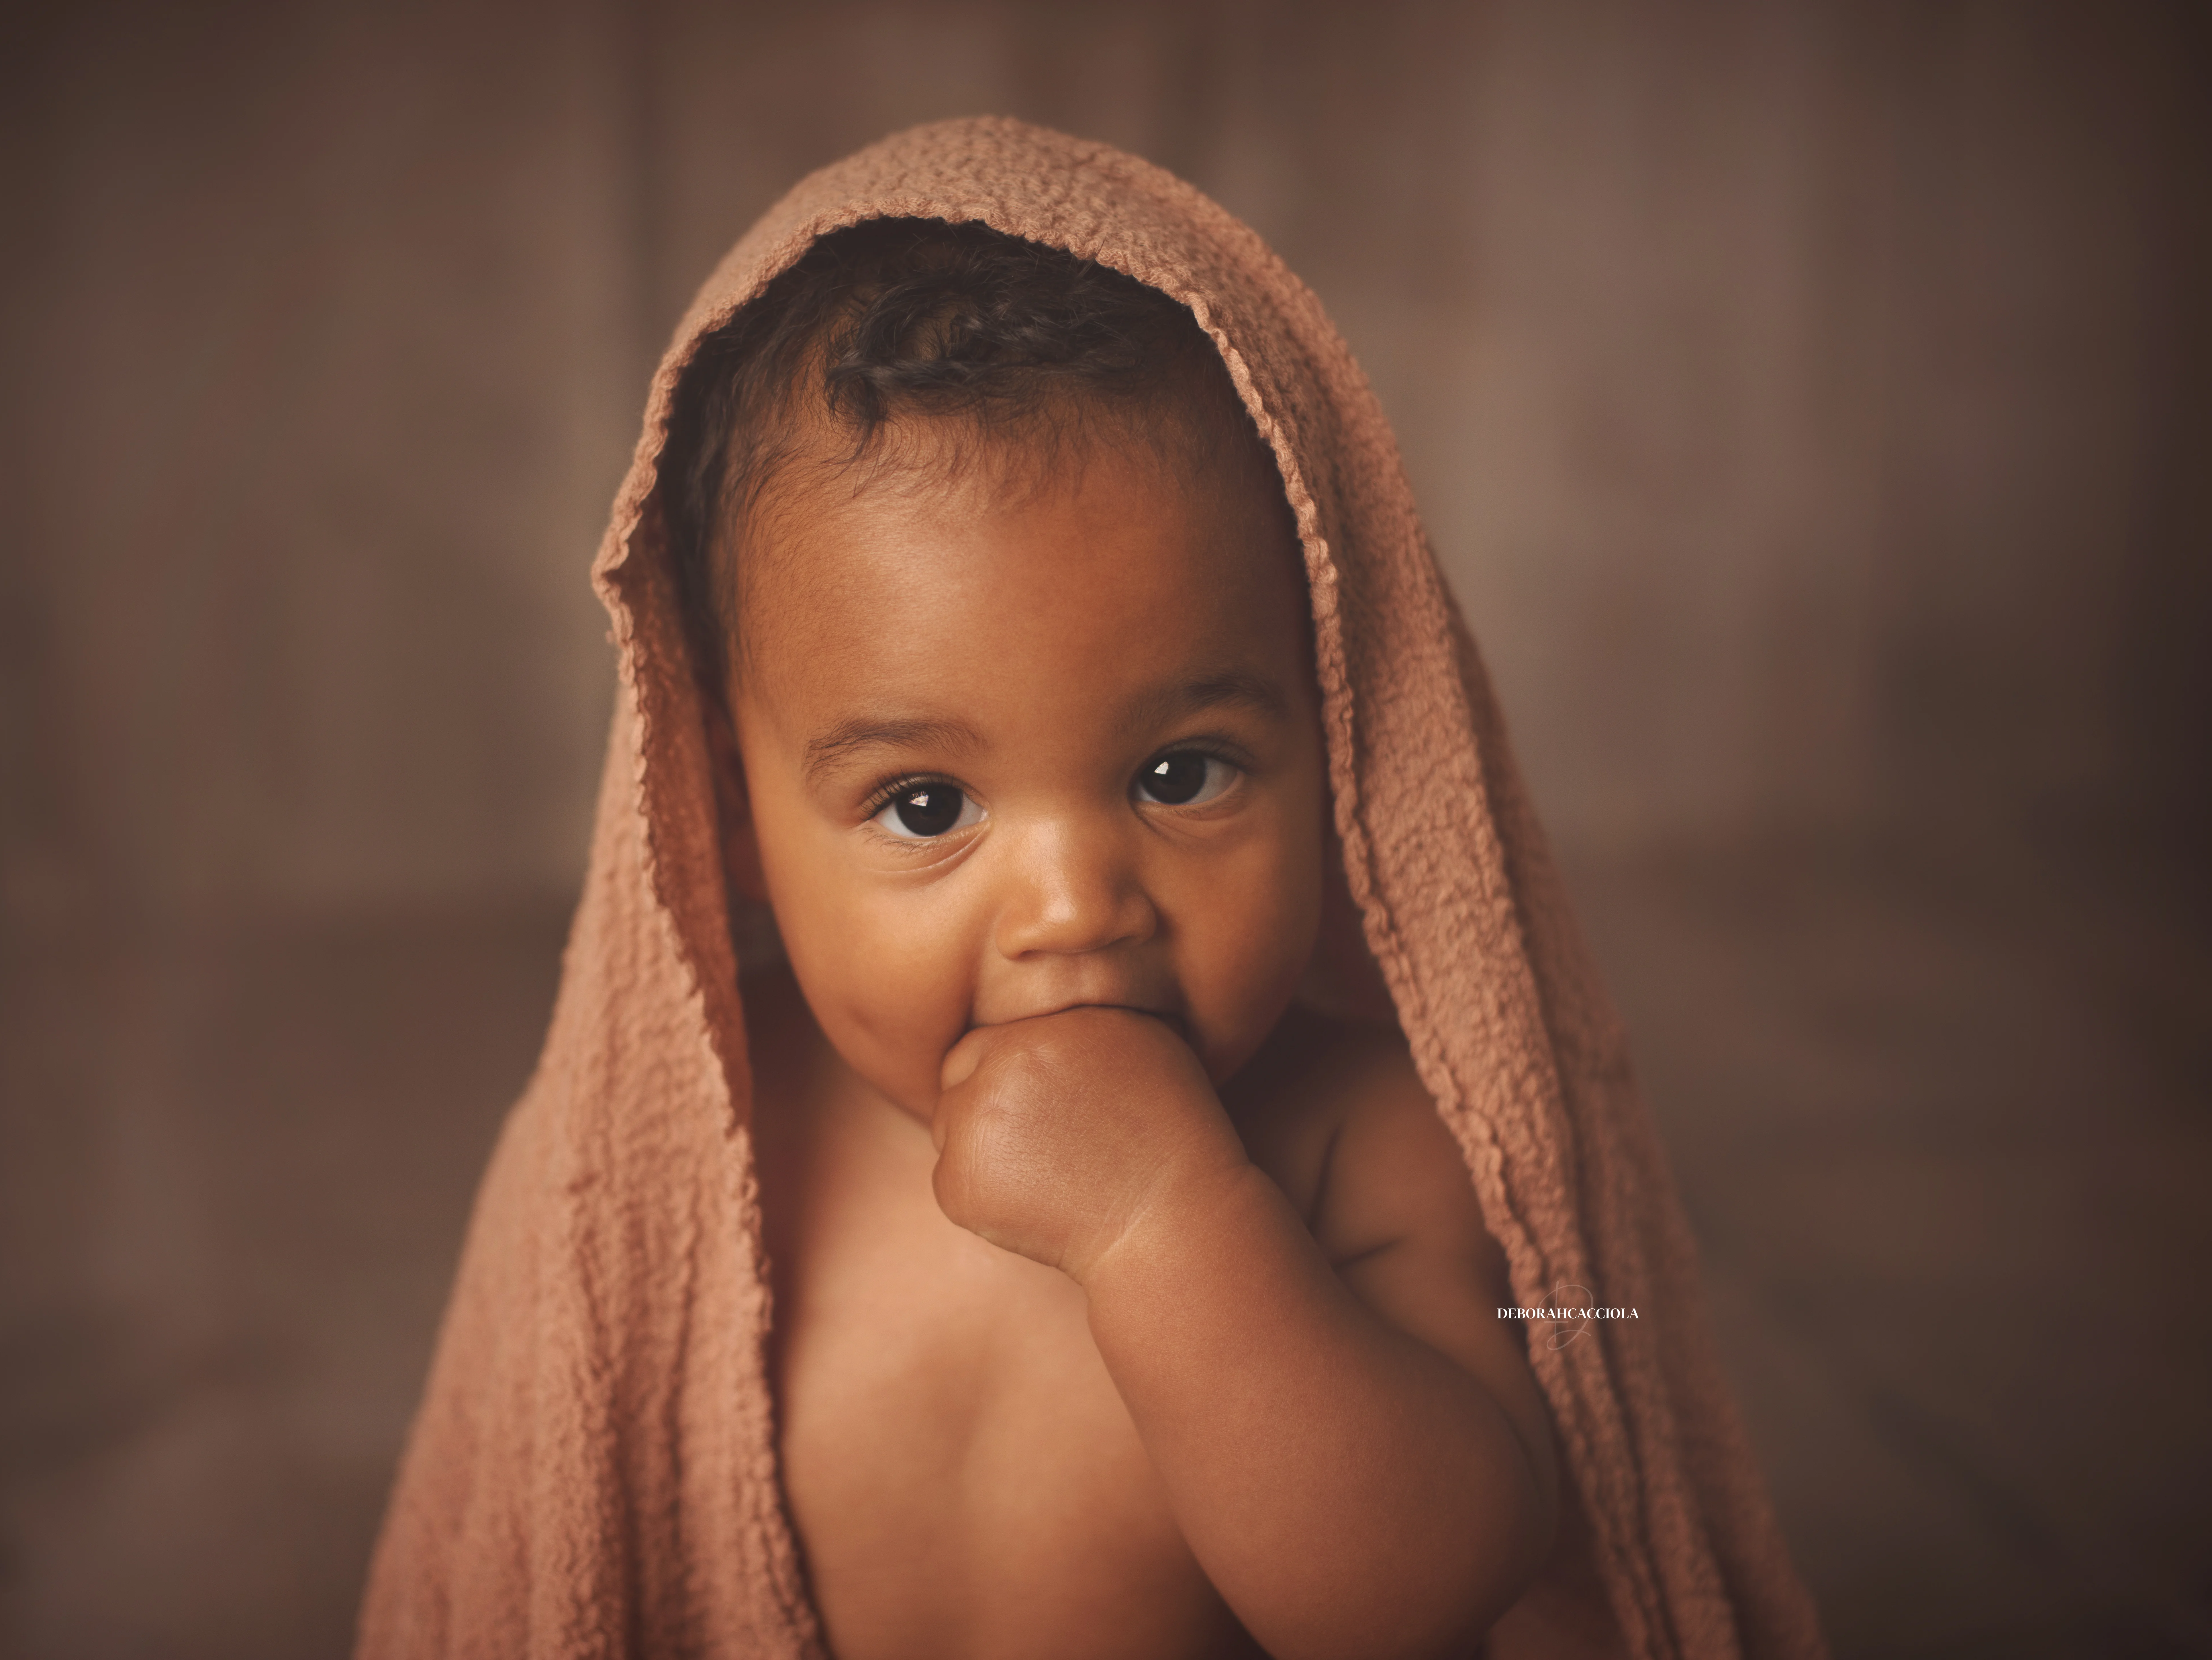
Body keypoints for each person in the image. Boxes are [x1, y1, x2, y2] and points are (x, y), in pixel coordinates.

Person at [358, 118, 1823, 1660]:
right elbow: (539, 1551)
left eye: (1181, 773)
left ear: (1339, 740)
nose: (1075, 909)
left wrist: (1167, 1222)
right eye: (927, 805)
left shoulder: (1377, 1145)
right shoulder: (668, 1160)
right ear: (723, 810)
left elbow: (1417, 1593)